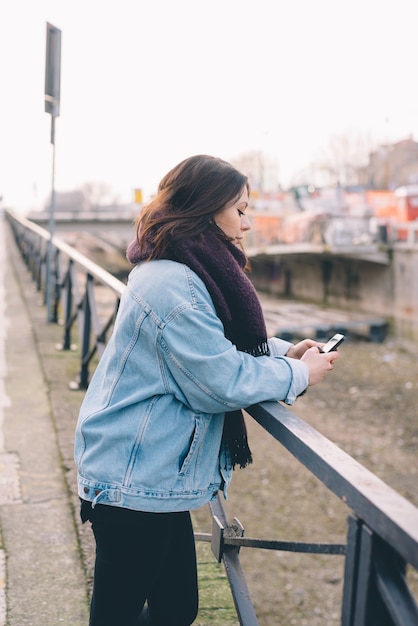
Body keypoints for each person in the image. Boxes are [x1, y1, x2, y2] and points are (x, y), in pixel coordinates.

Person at [74, 154, 339, 626]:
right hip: (132, 479)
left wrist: (282, 354)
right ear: (206, 207)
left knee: (177, 608)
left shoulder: (183, 269)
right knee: (121, 612)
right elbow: (218, 380)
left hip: (150, 474)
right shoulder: (173, 282)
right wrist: (301, 376)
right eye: (239, 209)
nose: (248, 223)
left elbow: (215, 344)